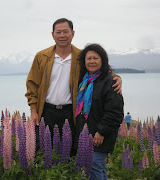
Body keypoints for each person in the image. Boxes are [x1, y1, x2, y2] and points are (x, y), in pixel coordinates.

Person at [25, 18, 122, 151]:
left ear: (73, 33)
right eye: (58, 32)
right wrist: (33, 110)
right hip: (46, 111)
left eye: (66, 31)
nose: (62, 35)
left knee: (69, 152)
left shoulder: (80, 57)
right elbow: (32, 84)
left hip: (70, 113)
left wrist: (116, 78)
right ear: (53, 35)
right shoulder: (42, 56)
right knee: (42, 151)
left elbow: (97, 70)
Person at [75, 44, 124, 180]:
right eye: (88, 58)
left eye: (95, 58)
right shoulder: (83, 81)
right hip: (86, 133)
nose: (92, 61)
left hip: (100, 135)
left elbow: (115, 112)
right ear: (84, 61)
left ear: (102, 60)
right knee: (97, 169)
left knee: (95, 166)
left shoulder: (110, 82)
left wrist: (101, 131)